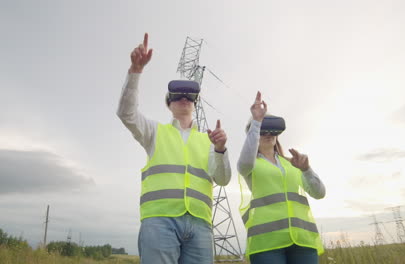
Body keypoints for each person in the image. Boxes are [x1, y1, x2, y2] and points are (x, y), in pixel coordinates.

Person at [117, 33, 232, 264]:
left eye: (189, 95)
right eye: (177, 95)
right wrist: (135, 72)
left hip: (200, 223)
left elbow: (222, 179)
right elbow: (126, 114)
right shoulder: (154, 132)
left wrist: (220, 150)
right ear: (169, 104)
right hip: (160, 220)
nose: (184, 98)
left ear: (195, 103)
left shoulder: (209, 140)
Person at [237, 91, 326, 264]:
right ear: (253, 135)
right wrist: (256, 122)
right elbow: (244, 161)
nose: (268, 133)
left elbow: (319, 193)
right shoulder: (250, 164)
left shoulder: (292, 164)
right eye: (263, 130)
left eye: (272, 129)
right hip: (266, 241)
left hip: (302, 238)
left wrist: (307, 170)